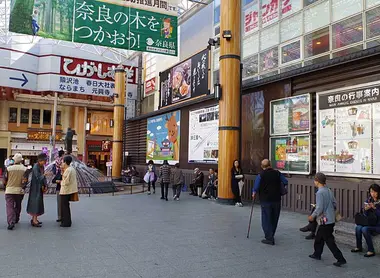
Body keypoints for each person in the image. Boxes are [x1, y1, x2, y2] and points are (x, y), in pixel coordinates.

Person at [308, 172, 346, 267]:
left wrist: (312, 215)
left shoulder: (319, 193)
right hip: (331, 219)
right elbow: (334, 203)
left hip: (325, 220)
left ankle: (340, 258)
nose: (314, 182)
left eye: (315, 180)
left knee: (329, 241)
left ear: (317, 181)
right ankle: (317, 254)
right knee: (319, 238)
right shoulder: (328, 190)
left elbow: (320, 208)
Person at [252, 159, 288, 245]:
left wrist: (254, 193)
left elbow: (256, 187)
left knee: (266, 218)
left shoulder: (261, 175)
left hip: (265, 200)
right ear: (270, 165)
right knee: (274, 217)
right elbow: (285, 181)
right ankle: (272, 233)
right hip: (276, 199)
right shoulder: (277, 173)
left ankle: (269, 237)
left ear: (262, 166)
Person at [351, 183, 380, 257]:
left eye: (374, 192)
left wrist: (375, 208)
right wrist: (366, 209)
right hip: (370, 222)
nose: (372, 194)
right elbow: (365, 214)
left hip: (377, 225)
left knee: (364, 229)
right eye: (371, 192)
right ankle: (358, 247)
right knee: (358, 227)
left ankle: (371, 250)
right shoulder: (369, 199)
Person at [3, 154, 27, 230]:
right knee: (18, 205)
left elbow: (4, 180)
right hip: (19, 190)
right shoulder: (24, 169)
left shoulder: (9, 168)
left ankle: (10, 222)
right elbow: (25, 181)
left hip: (9, 190)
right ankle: (16, 218)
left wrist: (5, 186)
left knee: (9, 206)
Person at [26, 153, 48, 228]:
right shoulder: (36, 167)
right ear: (40, 160)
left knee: (38, 202)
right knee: (36, 202)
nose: (45, 162)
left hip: (39, 187)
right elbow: (38, 177)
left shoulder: (41, 166)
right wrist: (44, 175)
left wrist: (45, 185)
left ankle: (34, 219)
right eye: (44, 161)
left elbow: (42, 177)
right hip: (35, 188)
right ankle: (34, 220)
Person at [58, 156, 79, 228]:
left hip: (65, 191)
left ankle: (66, 222)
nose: (62, 163)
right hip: (69, 190)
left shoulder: (68, 170)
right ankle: (66, 221)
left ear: (65, 162)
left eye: (63, 162)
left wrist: (60, 182)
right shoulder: (71, 169)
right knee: (66, 206)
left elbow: (66, 181)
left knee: (64, 207)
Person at [52, 150, 65, 222]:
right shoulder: (60, 171)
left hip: (63, 188)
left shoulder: (56, 160)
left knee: (62, 204)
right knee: (62, 203)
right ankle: (61, 217)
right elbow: (53, 180)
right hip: (60, 188)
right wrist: (59, 181)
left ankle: (61, 216)